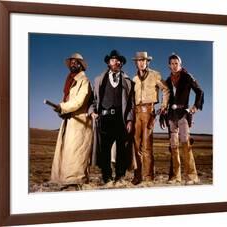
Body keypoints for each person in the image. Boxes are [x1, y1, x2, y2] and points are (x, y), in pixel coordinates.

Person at [89, 49, 134, 185]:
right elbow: (92, 100)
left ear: (121, 63)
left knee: (121, 148)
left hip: (120, 118)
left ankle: (120, 176)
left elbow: (131, 103)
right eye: (113, 60)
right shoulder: (98, 80)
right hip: (104, 118)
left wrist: (130, 119)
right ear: (108, 63)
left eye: (118, 60)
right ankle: (106, 176)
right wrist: (92, 112)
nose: (116, 62)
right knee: (105, 149)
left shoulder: (128, 81)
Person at [50, 53, 93, 188]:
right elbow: (68, 100)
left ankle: (76, 181)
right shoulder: (70, 80)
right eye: (71, 62)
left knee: (77, 152)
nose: (73, 64)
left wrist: (62, 107)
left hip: (80, 122)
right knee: (67, 151)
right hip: (70, 119)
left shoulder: (84, 81)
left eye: (76, 62)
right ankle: (64, 180)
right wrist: (61, 109)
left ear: (81, 65)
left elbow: (79, 101)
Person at [163, 53, 204, 185]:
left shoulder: (187, 76)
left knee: (186, 145)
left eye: (176, 63)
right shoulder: (168, 80)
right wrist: (164, 112)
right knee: (174, 147)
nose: (174, 66)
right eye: (172, 63)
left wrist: (195, 107)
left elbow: (200, 91)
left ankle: (192, 176)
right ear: (169, 65)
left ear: (180, 64)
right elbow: (166, 98)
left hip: (183, 115)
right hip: (171, 116)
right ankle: (176, 176)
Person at [131, 52, 170, 185]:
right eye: (138, 61)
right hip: (135, 113)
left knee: (147, 146)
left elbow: (166, 89)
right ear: (136, 63)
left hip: (148, 112)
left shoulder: (155, 75)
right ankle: (137, 176)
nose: (141, 63)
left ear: (148, 62)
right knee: (136, 146)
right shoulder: (134, 79)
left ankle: (148, 177)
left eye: (143, 60)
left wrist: (164, 106)